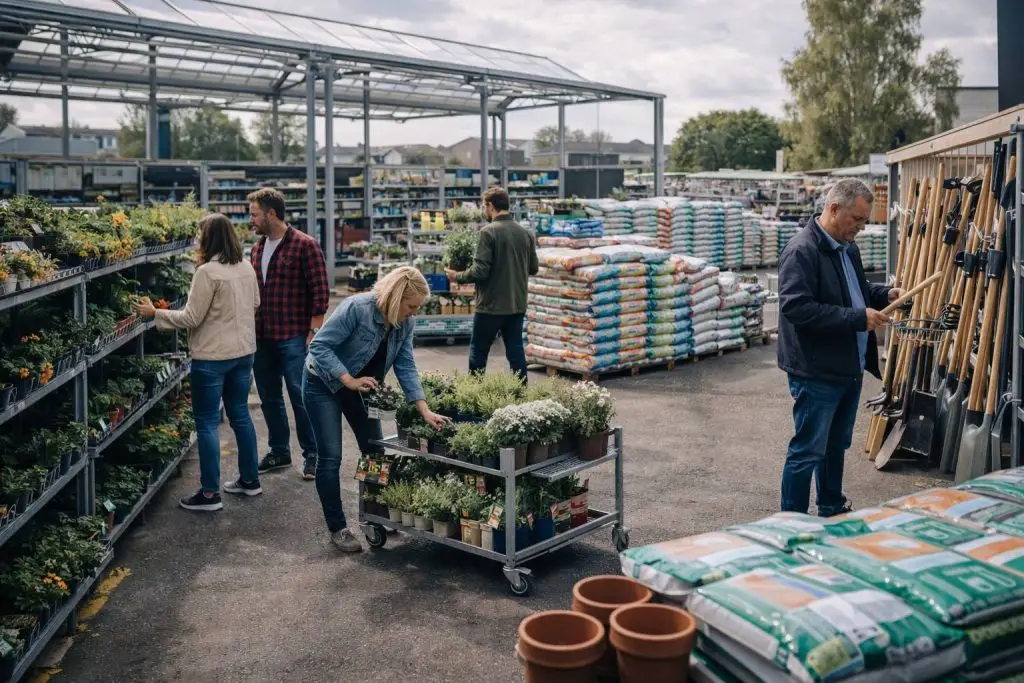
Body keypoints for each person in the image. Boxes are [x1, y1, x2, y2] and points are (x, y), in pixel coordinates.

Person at [777, 178, 903, 517]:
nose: (861, 228)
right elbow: (796, 307)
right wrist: (855, 319)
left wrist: (885, 294)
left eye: (865, 221)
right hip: (816, 370)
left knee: (835, 446)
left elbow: (857, 290)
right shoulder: (802, 250)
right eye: (857, 220)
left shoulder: (848, 248)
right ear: (834, 209)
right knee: (808, 449)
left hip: (847, 366)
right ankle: (791, 521)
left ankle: (831, 505)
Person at [303, 266, 450, 552]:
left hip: (363, 389)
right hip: (323, 384)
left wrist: (424, 409)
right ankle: (338, 528)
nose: (414, 312)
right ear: (396, 298)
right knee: (331, 457)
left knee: (375, 452)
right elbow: (319, 347)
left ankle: (375, 516)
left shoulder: (404, 323)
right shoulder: (357, 309)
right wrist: (348, 379)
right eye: (411, 306)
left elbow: (405, 364)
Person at [135, 213, 262, 512]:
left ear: (209, 238)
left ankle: (209, 495)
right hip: (244, 353)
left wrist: (155, 314)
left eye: (200, 234)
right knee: (240, 415)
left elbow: (191, 317)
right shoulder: (246, 267)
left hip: (213, 358)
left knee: (206, 423)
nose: (197, 239)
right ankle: (250, 481)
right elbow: (255, 304)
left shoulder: (207, 272)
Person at [247, 188, 330, 481]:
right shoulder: (257, 248)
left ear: (272, 213)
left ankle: (313, 455)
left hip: (294, 335)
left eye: (255, 213)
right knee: (270, 397)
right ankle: (279, 451)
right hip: (263, 336)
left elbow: (320, 292)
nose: (251, 219)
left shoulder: (304, 245)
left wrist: (314, 331)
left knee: (300, 395)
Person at [445, 186, 538, 382]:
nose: (484, 210)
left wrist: (457, 276)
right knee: (515, 352)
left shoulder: (488, 233)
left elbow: (480, 271)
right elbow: (533, 268)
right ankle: (521, 395)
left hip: (490, 306)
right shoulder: (526, 233)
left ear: (490, 205)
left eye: (484, 206)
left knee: (478, 353)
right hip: (516, 304)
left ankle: (474, 396)